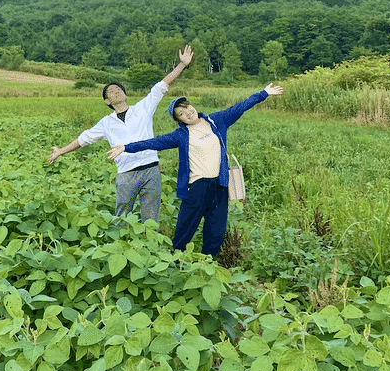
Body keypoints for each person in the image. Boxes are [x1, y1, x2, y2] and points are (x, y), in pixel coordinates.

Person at [107, 83, 283, 257]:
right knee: (185, 228)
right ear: (179, 121)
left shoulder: (216, 121)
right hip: (196, 187)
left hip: (220, 185)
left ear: (192, 106)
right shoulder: (180, 135)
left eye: (187, 107)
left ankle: (208, 263)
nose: (188, 113)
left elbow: (240, 107)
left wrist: (264, 93)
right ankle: (176, 260)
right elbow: (152, 142)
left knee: (216, 228)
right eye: (181, 114)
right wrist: (126, 147)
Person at [47, 45, 194, 222]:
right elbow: (83, 139)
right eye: (111, 91)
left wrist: (182, 65)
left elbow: (161, 85)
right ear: (107, 101)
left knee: (150, 219)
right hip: (126, 174)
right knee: (121, 218)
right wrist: (61, 151)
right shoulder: (106, 123)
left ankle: (150, 249)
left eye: (118, 88)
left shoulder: (143, 108)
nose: (116, 91)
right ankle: (119, 248)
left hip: (151, 170)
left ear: (124, 93)